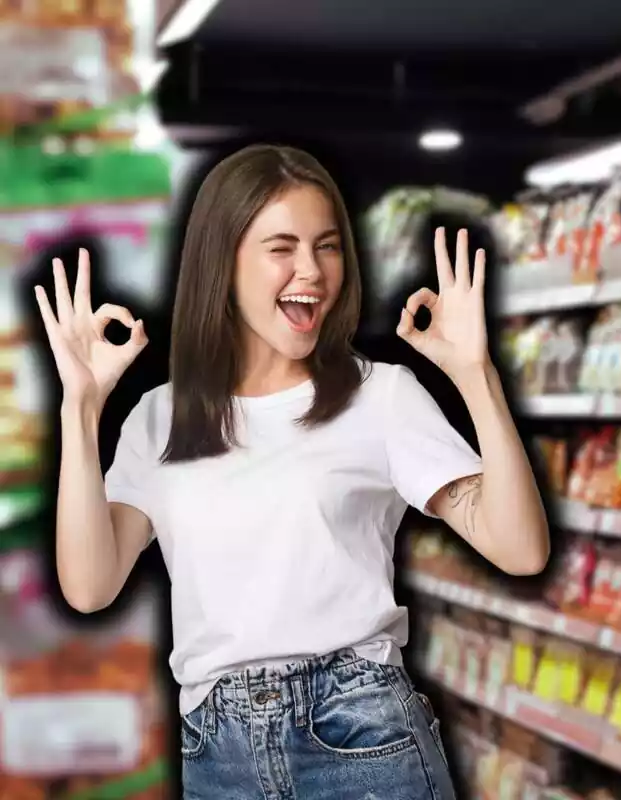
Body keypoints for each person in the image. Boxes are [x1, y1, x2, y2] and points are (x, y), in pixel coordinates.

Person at [35, 144, 550, 799]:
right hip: (216, 753)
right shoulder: (158, 418)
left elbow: (520, 548)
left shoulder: (381, 396)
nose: (311, 270)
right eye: (282, 247)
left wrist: (477, 375)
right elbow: (89, 586)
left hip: (362, 735)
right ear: (224, 263)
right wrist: (80, 411)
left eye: (327, 246)